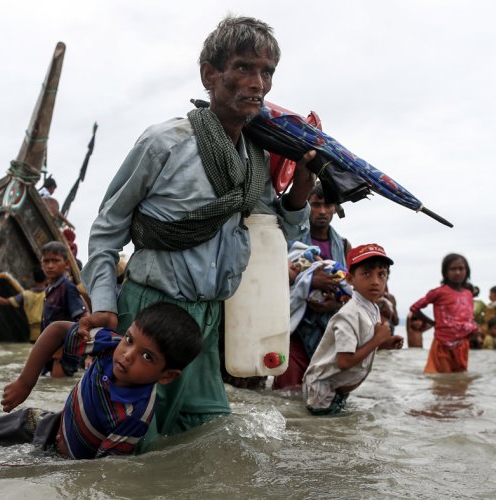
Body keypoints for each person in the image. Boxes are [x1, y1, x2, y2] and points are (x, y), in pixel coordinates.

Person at [80, 16, 317, 446]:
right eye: (244, 67)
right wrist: (102, 303)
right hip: (151, 314)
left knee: (206, 439)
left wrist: (300, 193)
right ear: (210, 73)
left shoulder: (255, 161)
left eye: (266, 73)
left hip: (209, 321)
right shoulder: (164, 142)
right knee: (131, 447)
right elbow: (107, 227)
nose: (257, 83)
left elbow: (272, 230)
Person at [0, 302, 203, 460]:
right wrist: (26, 382)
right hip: (46, 423)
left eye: (147, 357)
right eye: (131, 340)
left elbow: (104, 469)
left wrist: (43, 468)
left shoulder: (135, 416)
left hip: (62, 457)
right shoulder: (109, 344)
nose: (129, 355)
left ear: (166, 376)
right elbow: (54, 332)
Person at [301, 243, 404, 415]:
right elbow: (344, 362)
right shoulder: (348, 315)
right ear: (350, 280)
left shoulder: (372, 309)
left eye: (381, 274)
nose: (375, 281)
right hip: (322, 390)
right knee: (321, 434)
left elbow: (362, 344)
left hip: (337, 388)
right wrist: (377, 340)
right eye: (366, 274)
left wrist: (385, 343)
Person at [273, 182, 352, 390]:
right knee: (287, 392)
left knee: (323, 392)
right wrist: (310, 283)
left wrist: (334, 304)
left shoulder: (343, 245)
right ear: (307, 206)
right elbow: (272, 281)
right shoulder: (289, 241)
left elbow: (351, 287)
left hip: (328, 331)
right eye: (316, 205)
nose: (323, 211)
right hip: (294, 330)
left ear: (335, 208)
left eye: (328, 205)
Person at [410, 253, 478, 373]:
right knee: (443, 380)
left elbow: (469, 317)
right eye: (453, 269)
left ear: (467, 271)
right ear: (445, 272)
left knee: (460, 380)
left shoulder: (468, 294)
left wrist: (474, 330)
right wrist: (432, 322)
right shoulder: (439, 292)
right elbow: (415, 308)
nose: (457, 272)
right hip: (443, 343)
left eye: (461, 269)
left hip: (462, 344)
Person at [39, 241, 88, 376]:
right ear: (41, 264)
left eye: (55, 261)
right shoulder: (50, 288)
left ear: (66, 264)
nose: (50, 266)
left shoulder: (67, 287)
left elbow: (83, 319)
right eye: (46, 261)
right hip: (50, 350)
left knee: (58, 385)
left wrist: (62, 349)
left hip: (62, 354)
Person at [0, 267, 47, 343]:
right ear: (46, 278)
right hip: (48, 333)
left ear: (34, 279)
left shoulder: (25, 295)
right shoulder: (51, 292)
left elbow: (4, 302)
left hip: (34, 336)